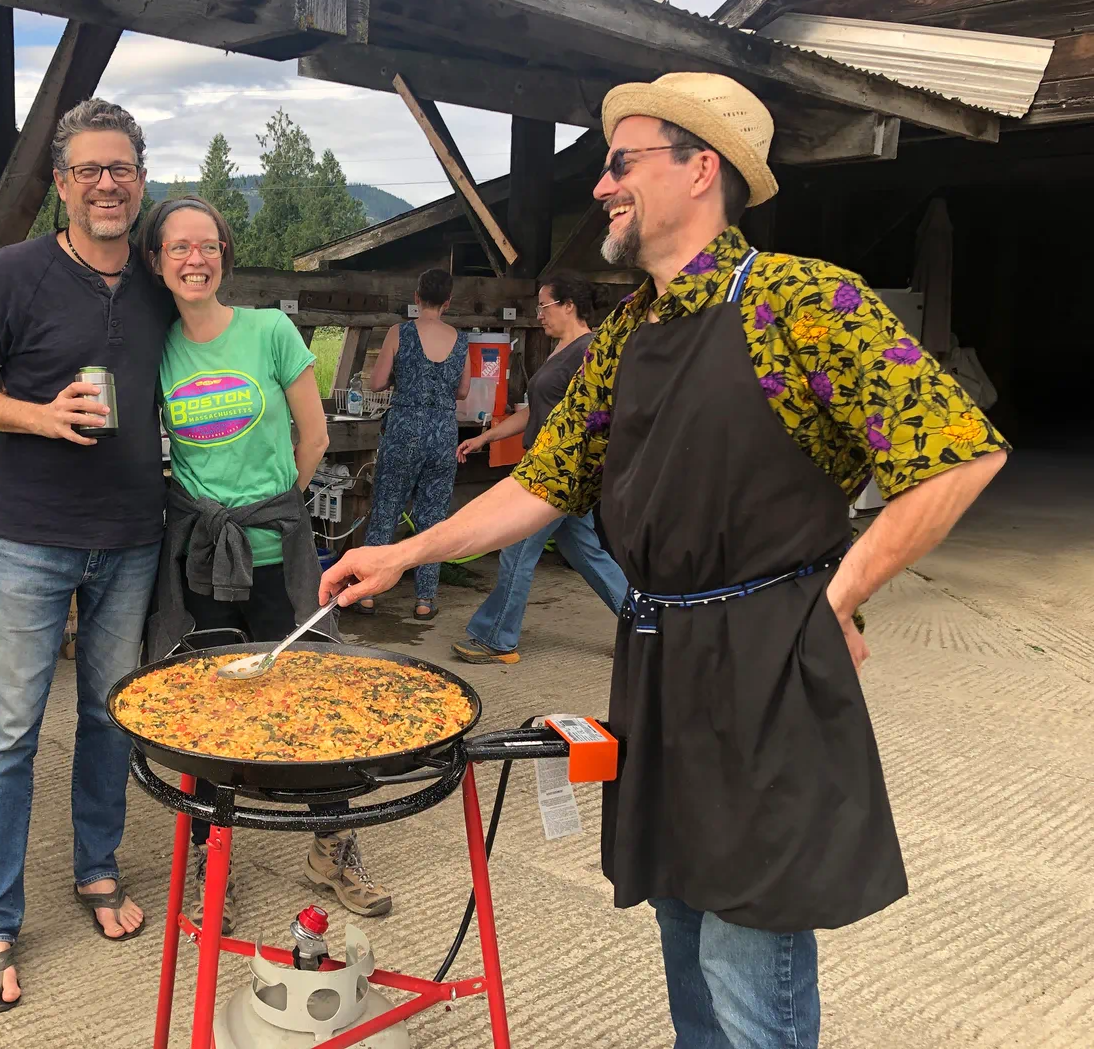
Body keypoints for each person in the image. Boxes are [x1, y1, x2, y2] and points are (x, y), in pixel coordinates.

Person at [320, 72, 1008, 1049]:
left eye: (622, 162)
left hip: (765, 663)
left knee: (742, 951)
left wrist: (837, 599)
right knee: (683, 930)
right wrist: (403, 552)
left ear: (701, 169)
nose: (601, 184)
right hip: (657, 654)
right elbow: (546, 484)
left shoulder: (802, 301)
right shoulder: (625, 337)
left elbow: (956, 453)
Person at [0, 98, 171, 1012]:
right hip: (31, 538)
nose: (107, 184)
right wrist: (38, 415)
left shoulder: (157, 281)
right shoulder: (18, 270)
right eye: (89, 171)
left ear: (140, 182)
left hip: (132, 538)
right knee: (7, 736)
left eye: (122, 169)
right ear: (63, 186)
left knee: (112, 719)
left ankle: (97, 866)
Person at [143, 197, 393, 933]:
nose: (195, 258)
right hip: (197, 557)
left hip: (277, 549)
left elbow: (311, 437)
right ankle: (204, 855)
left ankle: (332, 844)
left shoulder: (271, 331)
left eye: (208, 244)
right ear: (157, 262)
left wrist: (267, 503)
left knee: (307, 694)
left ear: (224, 253)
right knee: (205, 706)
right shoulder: (156, 347)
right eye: (177, 247)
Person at [452, 274, 628, 664]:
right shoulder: (560, 350)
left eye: (544, 306)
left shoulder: (590, 352)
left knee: (517, 548)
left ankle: (497, 638)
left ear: (568, 306)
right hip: (547, 467)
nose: (539, 315)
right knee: (586, 553)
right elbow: (536, 413)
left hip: (560, 474)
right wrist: (487, 438)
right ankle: (646, 627)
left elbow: (600, 417)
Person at [354, 268, 469, 620]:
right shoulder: (461, 339)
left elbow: (375, 383)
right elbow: (462, 391)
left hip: (404, 427)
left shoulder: (399, 333)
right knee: (433, 518)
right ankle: (424, 600)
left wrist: (399, 378)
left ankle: (369, 594)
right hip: (443, 431)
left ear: (417, 297)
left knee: (386, 509)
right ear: (447, 302)